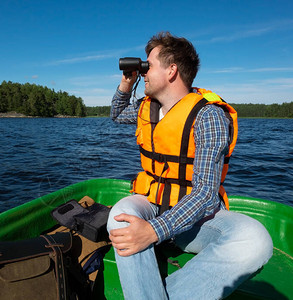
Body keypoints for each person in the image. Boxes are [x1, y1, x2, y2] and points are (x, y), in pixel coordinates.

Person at [107, 31, 273, 300]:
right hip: (153, 204)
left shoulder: (209, 116)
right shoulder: (145, 108)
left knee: (255, 241)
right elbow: (116, 114)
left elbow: (206, 194)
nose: (144, 72)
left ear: (172, 70)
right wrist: (127, 83)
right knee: (120, 214)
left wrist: (154, 231)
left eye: (149, 65)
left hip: (196, 224)